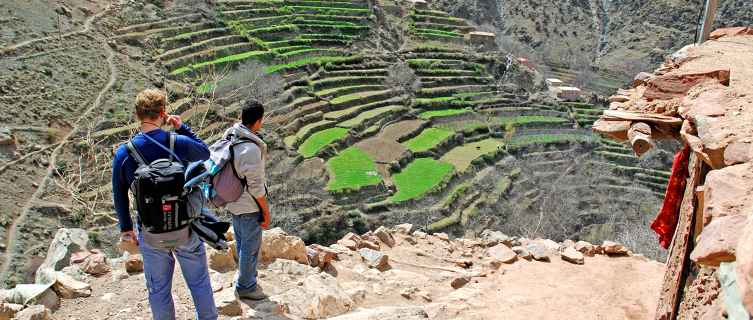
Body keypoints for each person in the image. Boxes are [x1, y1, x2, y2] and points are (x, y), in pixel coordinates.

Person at [112, 88, 218, 320]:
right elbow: (205, 152)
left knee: (158, 291)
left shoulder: (124, 153)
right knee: (199, 284)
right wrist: (181, 128)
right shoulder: (177, 142)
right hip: (184, 228)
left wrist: (126, 228)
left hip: (150, 233)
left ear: (138, 116)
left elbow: (119, 194)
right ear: (163, 113)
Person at [223, 99, 270, 300]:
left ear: (241, 116)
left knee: (242, 243)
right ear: (259, 120)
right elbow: (256, 187)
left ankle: (247, 276)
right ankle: (246, 286)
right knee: (250, 248)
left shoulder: (230, 134)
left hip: (232, 200)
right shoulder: (251, 149)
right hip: (248, 204)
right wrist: (265, 212)